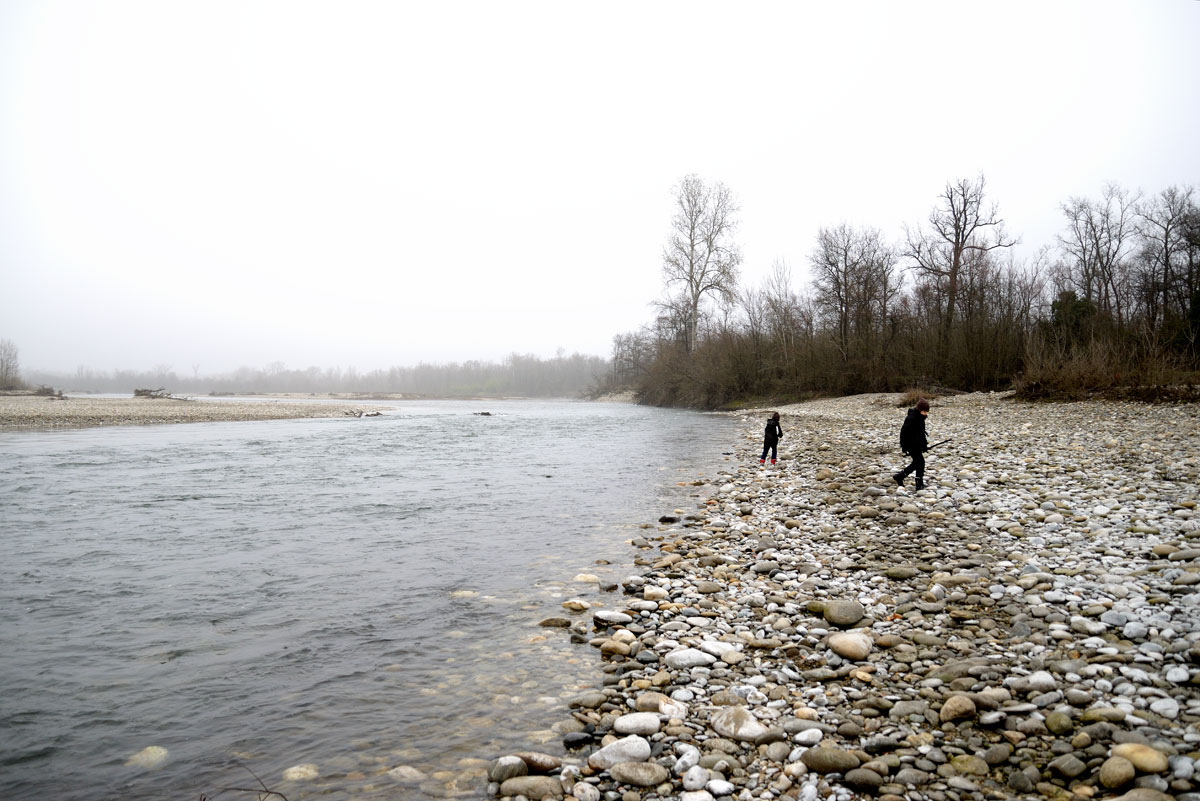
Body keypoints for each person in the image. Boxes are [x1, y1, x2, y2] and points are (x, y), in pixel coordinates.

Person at [893, 398, 930, 489]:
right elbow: (904, 433)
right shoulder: (911, 418)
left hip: (917, 445)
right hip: (911, 445)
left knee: (918, 462)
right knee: (920, 462)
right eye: (925, 411)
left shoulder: (920, 418)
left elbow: (921, 434)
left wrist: (924, 446)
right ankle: (917, 483)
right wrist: (904, 447)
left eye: (927, 412)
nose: (926, 413)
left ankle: (901, 477)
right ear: (919, 410)